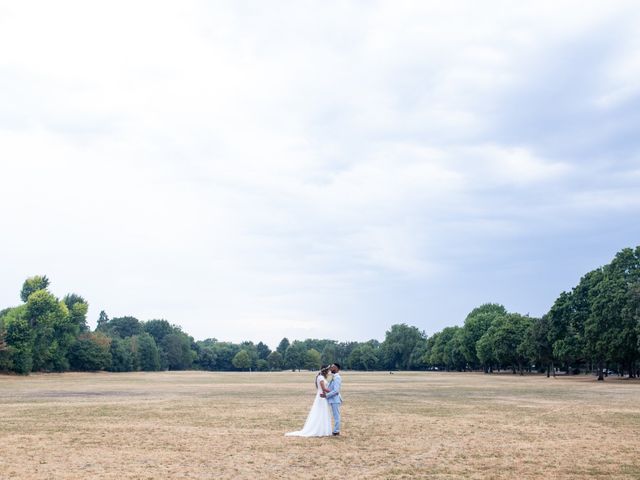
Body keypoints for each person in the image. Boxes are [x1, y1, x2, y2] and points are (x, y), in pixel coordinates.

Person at [285, 366, 332, 437]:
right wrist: (333, 391)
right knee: (320, 412)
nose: (329, 372)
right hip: (322, 396)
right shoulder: (321, 378)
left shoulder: (320, 377)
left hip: (322, 395)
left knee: (322, 412)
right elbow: (323, 388)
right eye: (328, 370)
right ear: (325, 371)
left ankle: (322, 429)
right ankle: (319, 429)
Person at [322, 363, 343, 436]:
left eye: (332, 367)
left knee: (336, 416)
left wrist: (326, 395)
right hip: (331, 399)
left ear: (337, 368)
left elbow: (336, 390)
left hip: (335, 400)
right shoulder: (333, 377)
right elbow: (331, 389)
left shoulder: (337, 377)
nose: (331, 368)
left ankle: (336, 431)